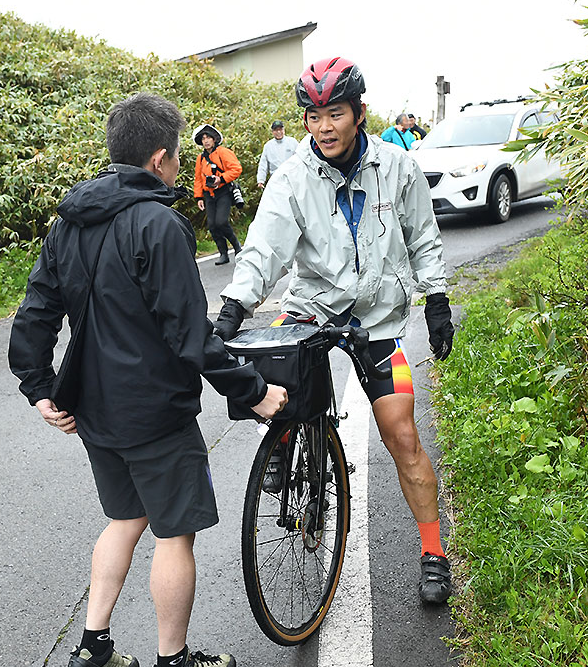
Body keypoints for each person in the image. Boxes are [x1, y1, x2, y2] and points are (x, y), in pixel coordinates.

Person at [9, 92, 288, 667]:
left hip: (94, 411)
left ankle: (94, 647)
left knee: (124, 518)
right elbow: (189, 334)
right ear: (160, 158)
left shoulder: (70, 220)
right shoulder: (159, 224)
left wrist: (37, 386)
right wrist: (254, 391)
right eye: (176, 156)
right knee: (174, 534)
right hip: (155, 412)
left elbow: (36, 312)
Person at [213, 57, 457, 606]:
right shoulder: (293, 177)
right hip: (310, 310)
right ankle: (280, 444)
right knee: (270, 376)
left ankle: (434, 551)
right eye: (313, 116)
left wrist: (436, 297)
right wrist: (233, 306)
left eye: (335, 114)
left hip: (376, 318)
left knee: (402, 433)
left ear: (359, 114)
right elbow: (265, 246)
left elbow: (423, 237)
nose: (324, 127)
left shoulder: (397, 167)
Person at [193, 124, 243, 265]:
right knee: (212, 225)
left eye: (208, 137)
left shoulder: (223, 152)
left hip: (223, 192)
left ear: (214, 139)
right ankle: (223, 253)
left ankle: (236, 246)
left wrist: (221, 178)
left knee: (221, 222)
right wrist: (198, 197)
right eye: (203, 138)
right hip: (208, 194)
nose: (206, 141)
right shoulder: (200, 158)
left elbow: (236, 169)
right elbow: (198, 178)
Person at [256, 119, 299, 188]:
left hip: (292, 178)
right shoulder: (268, 146)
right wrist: (261, 180)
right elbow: (263, 164)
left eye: (280, 129)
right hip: (275, 180)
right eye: (276, 130)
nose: (279, 132)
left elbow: (300, 158)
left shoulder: (292, 142)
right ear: (272, 132)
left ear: (284, 130)